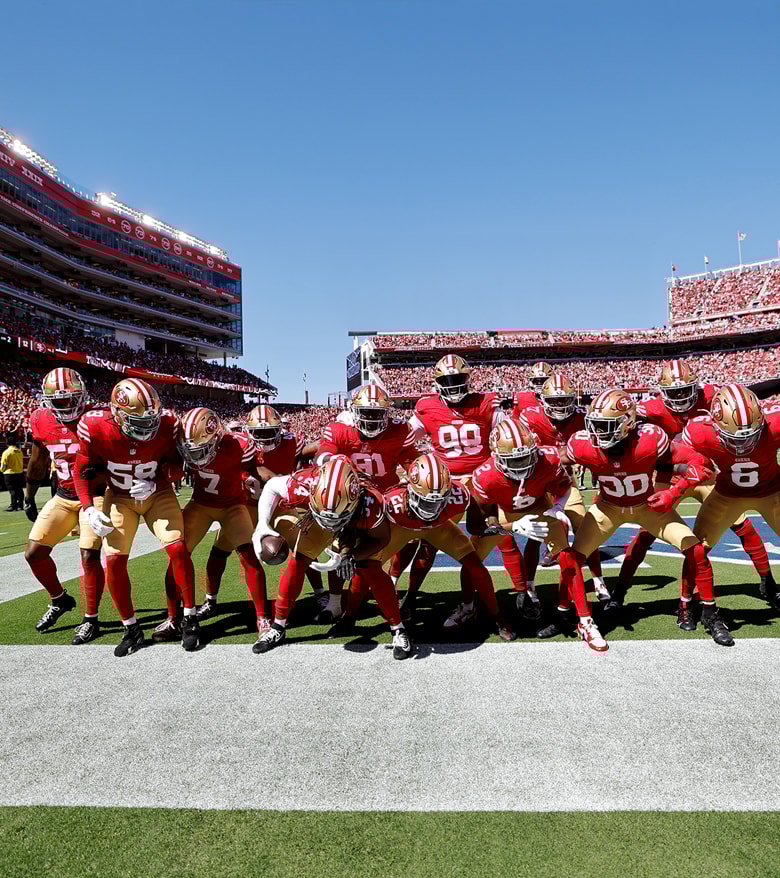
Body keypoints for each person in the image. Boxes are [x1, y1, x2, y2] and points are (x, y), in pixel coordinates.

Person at [24, 368, 106, 643]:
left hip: (96, 495)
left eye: (72, 398)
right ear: (47, 401)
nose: (67, 405)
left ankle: (91, 619)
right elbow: (37, 461)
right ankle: (59, 599)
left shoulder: (99, 416)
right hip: (63, 495)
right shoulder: (40, 418)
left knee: (89, 556)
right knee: (34, 553)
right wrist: (29, 495)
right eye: (59, 401)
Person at [2, 432, 24, 512]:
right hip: (19, 473)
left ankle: (13, 505)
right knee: (19, 489)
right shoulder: (19, 451)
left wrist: (2, 470)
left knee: (12, 490)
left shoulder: (6, 452)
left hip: (9, 473)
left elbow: (3, 466)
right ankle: (20, 505)